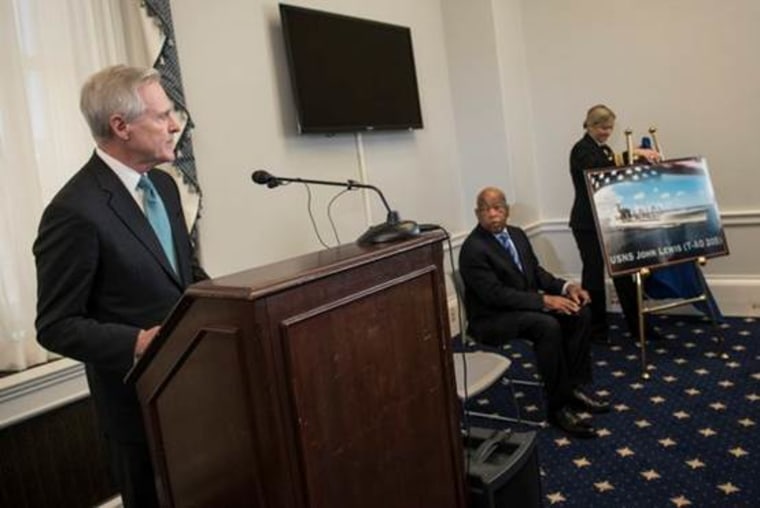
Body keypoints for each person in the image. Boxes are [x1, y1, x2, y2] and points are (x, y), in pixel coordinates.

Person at [34, 65, 209, 508]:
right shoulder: (73, 211)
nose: (174, 126)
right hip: (137, 411)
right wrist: (138, 342)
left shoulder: (165, 188)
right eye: (162, 116)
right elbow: (56, 325)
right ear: (121, 126)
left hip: (198, 394)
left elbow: (186, 275)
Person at [459, 187, 609, 439]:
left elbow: (536, 273)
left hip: (521, 307)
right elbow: (495, 295)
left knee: (579, 312)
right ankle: (558, 407)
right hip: (491, 318)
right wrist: (544, 301)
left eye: (497, 208)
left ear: (507, 210)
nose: (492, 215)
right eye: (485, 210)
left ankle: (572, 388)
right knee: (546, 325)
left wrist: (566, 287)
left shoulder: (517, 235)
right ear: (477, 214)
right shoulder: (473, 249)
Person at [569, 104, 662, 344]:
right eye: (601, 127)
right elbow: (600, 172)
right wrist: (635, 154)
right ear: (588, 125)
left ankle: (637, 325)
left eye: (609, 128)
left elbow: (615, 171)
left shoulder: (605, 150)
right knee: (593, 277)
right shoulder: (581, 150)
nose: (606, 132)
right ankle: (596, 330)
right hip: (587, 224)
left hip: (609, 220)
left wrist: (639, 159)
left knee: (624, 273)